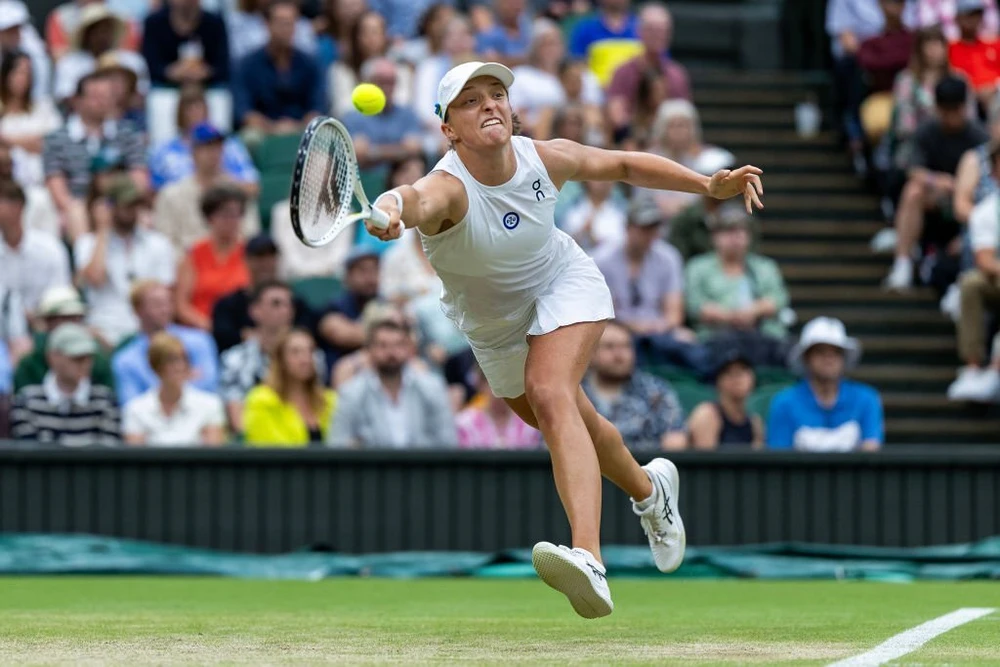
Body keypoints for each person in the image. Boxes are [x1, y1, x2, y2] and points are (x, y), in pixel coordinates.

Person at [363, 61, 763, 617]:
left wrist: (705, 184)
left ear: (511, 107)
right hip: (495, 329)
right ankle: (651, 492)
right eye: (471, 100)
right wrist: (388, 211)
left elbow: (622, 163)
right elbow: (411, 198)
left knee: (550, 393)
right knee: (578, 423)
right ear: (448, 128)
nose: (489, 105)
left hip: (563, 284)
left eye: (496, 94)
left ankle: (589, 556)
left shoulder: (543, 158)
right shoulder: (447, 188)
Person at [884, 75, 988, 289]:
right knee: (913, 191)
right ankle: (902, 262)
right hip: (939, 198)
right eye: (946, 111)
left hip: (972, 203)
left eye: (956, 110)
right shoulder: (927, 131)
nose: (951, 118)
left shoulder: (979, 135)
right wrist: (938, 180)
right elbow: (911, 168)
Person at [595, 196, 709, 375]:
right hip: (617, 329)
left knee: (691, 345)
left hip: (658, 331)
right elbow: (599, 313)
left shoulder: (669, 257)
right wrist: (633, 326)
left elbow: (674, 313)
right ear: (628, 227)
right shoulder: (603, 259)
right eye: (644, 228)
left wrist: (657, 326)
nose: (650, 233)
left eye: (654, 227)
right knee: (615, 342)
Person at [43, 70, 148, 242]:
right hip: (77, 204)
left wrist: (118, 203)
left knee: (143, 217)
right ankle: (85, 264)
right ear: (77, 101)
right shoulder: (56, 139)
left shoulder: (128, 133)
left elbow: (139, 180)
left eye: (107, 96)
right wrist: (81, 207)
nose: (102, 102)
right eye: (95, 96)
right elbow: (57, 186)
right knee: (75, 212)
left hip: (119, 203)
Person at [74, 176, 176, 347]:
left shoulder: (158, 244)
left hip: (148, 330)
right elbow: (95, 278)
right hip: (104, 330)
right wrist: (102, 229)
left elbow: (164, 294)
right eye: (126, 204)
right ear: (109, 207)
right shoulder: (87, 243)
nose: (132, 210)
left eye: (135, 204)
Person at [327, 319, 458, 448]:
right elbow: (338, 443)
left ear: (409, 348)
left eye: (398, 345)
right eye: (382, 345)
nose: (391, 352)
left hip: (423, 467)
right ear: (369, 350)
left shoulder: (432, 388)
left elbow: (448, 441)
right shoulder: (351, 393)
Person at [768, 317, 883, 452]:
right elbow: (780, 458)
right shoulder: (784, 403)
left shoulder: (866, 399)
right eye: (820, 352)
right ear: (806, 358)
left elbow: (871, 451)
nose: (829, 359)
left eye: (836, 352)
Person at [153, 123, 261, 255]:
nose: (214, 153)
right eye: (207, 147)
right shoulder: (171, 194)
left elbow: (251, 235)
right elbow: (165, 243)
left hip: (232, 264)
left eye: (218, 147)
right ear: (193, 152)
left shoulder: (238, 192)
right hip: (189, 265)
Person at [581, 320, 687, 452]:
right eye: (609, 347)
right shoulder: (574, 392)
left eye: (626, 346)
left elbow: (676, 438)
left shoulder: (656, 391)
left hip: (644, 468)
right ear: (591, 353)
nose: (619, 355)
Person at [10, 322, 120, 446]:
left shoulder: (106, 401)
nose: (85, 364)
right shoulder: (26, 401)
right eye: (76, 357)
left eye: (88, 357)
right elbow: (29, 455)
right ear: (53, 357)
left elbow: (108, 454)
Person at [112, 279, 219, 405]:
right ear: (138, 310)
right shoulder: (125, 360)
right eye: (157, 304)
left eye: (168, 302)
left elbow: (209, 386)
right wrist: (184, 378)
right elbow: (131, 405)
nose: (165, 309)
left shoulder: (200, 340)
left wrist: (159, 387)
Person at [233, 0, 324, 140]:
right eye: (281, 23)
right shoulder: (247, 65)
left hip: (302, 130)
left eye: (291, 23)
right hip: (263, 131)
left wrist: (296, 126)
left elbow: (317, 108)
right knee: (250, 138)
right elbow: (244, 112)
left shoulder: (310, 63)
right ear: (267, 25)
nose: (286, 29)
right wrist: (274, 127)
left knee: (323, 137)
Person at [122, 331, 226, 446]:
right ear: (156, 366)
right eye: (171, 361)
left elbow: (212, 458)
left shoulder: (210, 405)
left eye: (184, 359)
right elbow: (136, 459)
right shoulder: (136, 410)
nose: (180, 366)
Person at [148, 86, 259, 192]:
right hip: (180, 204)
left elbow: (253, 187)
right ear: (180, 113)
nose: (196, 113)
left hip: (222, 199)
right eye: (189, 109)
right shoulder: (163, 151)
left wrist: (222, 181)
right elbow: (153, 192)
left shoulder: (230, 146)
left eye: (199, 107)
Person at [606, 4, 690, 142]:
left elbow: (685, 117)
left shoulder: (677, 75)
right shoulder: (623, 72)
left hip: (670, 145)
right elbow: (617, 117)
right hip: (632, 143)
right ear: (640, 31)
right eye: (651, 30)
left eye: (662, 31)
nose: (657, 35)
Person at [174, 184, 252, 330]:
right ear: (210, 218)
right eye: (226, 215)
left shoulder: (250, 253)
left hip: (240, 329)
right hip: (201, 329)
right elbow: (181, 305)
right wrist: (211, 326)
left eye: (237, 215)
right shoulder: (193, 254)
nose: (232, 221)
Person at [243, 328, 336, 447]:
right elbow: (268, 451)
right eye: (296, 352)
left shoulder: (330, 400)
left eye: (310, 351)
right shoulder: (261, 401)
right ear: (280, 359)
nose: (306, 359)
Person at [13, 285, 115, 393]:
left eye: (74, 319)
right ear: (47, 322)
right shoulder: (30, 364)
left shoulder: (97, 360)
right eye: (62, 319)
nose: (69, 326)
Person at [0, 180, 72, 317]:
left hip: (47, 322)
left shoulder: (50, 248)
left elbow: (60, 296)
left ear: (18, 206)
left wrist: (36, 317)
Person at [0, 51, 62, 189]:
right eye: (18, 72)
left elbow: (52, 144)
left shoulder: (44, 107)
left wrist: (6, 140)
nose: (23, 78)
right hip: (7, 185)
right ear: (6, 75)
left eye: (27, 73)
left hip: (43, 182)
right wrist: (30, 142)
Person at [141, 0, 231, 89]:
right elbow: (149, 64)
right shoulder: (153, 23)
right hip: (164, 86)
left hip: (209, 87)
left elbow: (223, 64)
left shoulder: (215, 23)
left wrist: (205, 72)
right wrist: (171, 72)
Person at [687, 350, 763, 449]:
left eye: (743, 371)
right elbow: (705, 462)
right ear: (718, 380)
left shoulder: (755, 422)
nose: (737, 378)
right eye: (729, 372)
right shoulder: (707, 415)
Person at [456, 364, 541, 449]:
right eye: (493, 384)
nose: (500, 392)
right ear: (481, 385)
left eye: (507, 384)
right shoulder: (465, 423)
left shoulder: (530, 424)